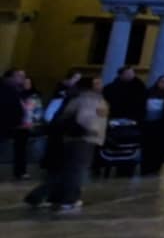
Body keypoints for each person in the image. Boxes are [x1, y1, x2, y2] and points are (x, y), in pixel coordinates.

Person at [32, 74, 104, 213]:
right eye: (97, 83)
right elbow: (85, 120)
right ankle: (68, 199)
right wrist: (90, 132)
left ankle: (46, 196)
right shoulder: (86, 99)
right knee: (75, 171)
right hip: (81, 139)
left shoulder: (82, 98)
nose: (100, 85)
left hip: (78, 138)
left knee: (66, 171)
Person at [140, 74, 164, 175]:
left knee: (159, 148)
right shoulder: (149, 92)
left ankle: (155, 167)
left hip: (162, 125)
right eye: (162, 81)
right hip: (149, 124)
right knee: (147, 147)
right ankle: (145, 167)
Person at [2, 69, 31, 181]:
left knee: (21, 146)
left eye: (23, 76)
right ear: (8, 77)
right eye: (19, 76)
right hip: (6, 124)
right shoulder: (5, 89)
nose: (22, 78)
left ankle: (20, 171)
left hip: (19, 125)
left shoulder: (19, 90)